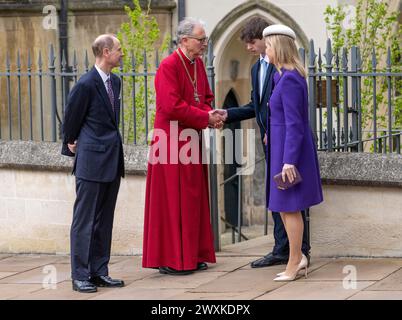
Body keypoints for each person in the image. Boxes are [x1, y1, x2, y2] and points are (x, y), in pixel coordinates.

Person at [217, 17, 310, 268]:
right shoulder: (257, 68)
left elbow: (289, 114)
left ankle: (299, 252)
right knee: (279, 198)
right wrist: (227, 114)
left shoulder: (284, 72)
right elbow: (256, 105)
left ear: (268, 41)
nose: (249, 47)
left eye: (253, 42)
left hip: (282, 141)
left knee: (291, 198)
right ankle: (283, 249)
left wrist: (272, 131)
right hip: (273, 142)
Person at [142, 18, 223, 275]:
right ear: (185, 40)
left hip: (192, 138)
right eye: (201, 39)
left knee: (192, 199)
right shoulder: (168, 66)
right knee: (173, 201)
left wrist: (211, 114)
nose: (204, 44)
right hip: (170, 142)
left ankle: (193, 254)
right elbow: (171, 106)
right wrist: (205, 118)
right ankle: (174, 258)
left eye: (204, 39)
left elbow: (205, 96)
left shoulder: (197, 63)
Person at [62, 34, 125, 292]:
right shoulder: (86, 84)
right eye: (119, 49)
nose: (122, 53)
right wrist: (71, 143)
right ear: (106, 52)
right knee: (84, 221)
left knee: (104, 220)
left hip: (112, 159)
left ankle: (99, 271)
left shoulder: (116, 82)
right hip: (90, 162)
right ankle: (80, 275)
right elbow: (71, 120)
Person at [262, 25, 323, 281]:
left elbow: (296, 123)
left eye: (267, 45)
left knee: (290, 207)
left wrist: (289, 161)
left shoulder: (290, 79)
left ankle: (295, 260)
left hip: (289, 153)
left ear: (278, 47)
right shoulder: (281, 77)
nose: (265, 50)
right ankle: (297, 258)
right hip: (280, 148)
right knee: (283, 207)